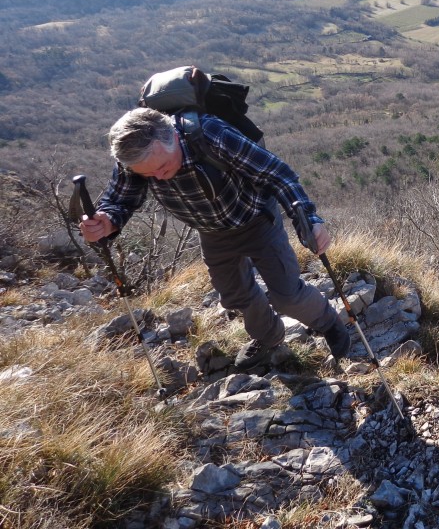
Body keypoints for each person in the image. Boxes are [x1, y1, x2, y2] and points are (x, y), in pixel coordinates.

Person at [79, 107, 351, 370]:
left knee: (287, 295)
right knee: (236, 296)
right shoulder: (136, 159)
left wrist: (309, 220)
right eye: (148, 175)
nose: (158, 177)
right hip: (211, 232)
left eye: (162, 167)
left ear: (173, 137)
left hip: (256, 220)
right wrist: (108, 221)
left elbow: (277, 175)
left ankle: (329, 323)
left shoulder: (210, 135)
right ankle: (269, 337)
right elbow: (121, 199)